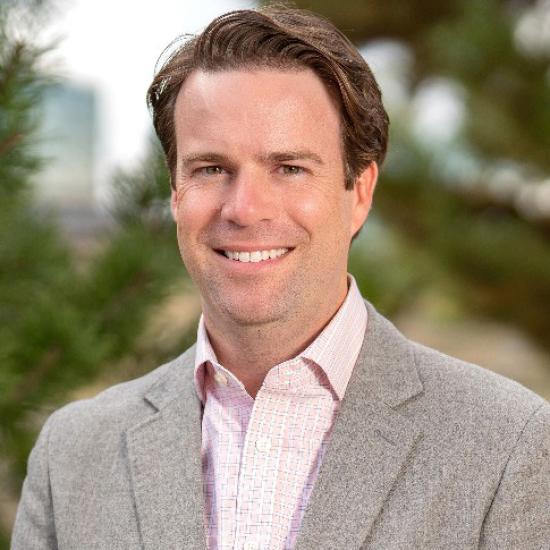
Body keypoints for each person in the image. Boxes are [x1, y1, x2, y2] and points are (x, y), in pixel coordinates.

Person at [12, 6, 549, 550]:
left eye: (289, 168)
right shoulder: (73, 456)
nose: (244, 209)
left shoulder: (509, 446)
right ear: (175, 193)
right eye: (211, 169)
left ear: (359, 192)